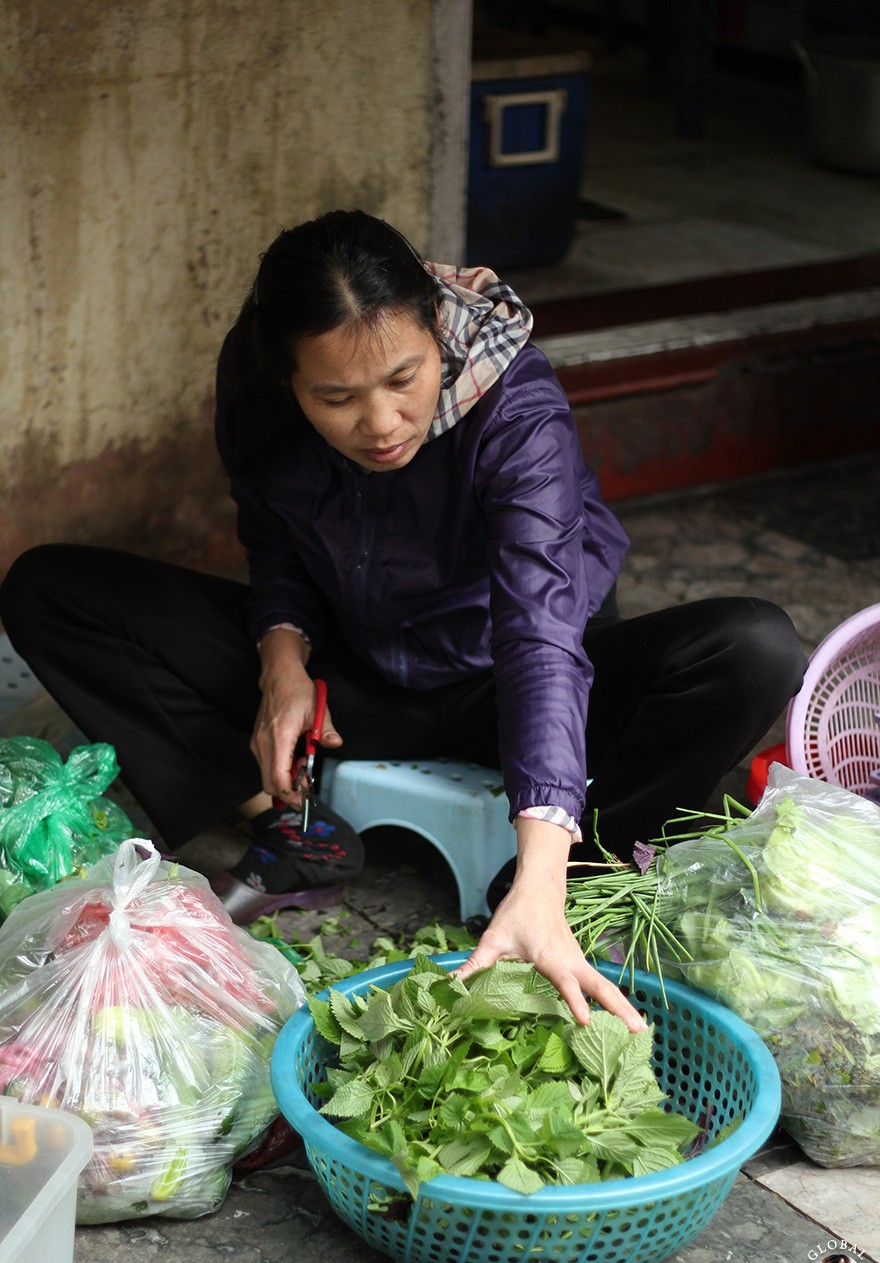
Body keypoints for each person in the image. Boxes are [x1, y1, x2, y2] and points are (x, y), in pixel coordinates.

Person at [0, 209, 805, 1031]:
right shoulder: (255, 388)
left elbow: (540, 632)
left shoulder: (513, 402)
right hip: (360, 682)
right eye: (337, 398)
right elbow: (275, 540)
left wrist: (540, 875)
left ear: (437, 333)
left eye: (403, 378)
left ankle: (566, 886)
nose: (380, 424)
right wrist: (283, 662)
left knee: (752, 648)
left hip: (516, 683)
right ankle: (292, 822)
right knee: (48, 589)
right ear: (290, 381)